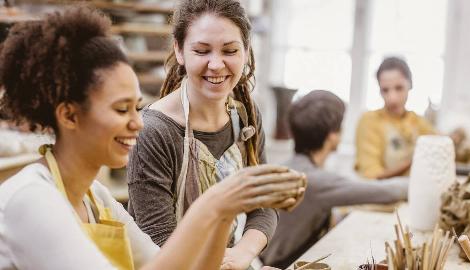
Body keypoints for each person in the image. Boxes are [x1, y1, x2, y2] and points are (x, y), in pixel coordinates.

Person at [0, 6, 303, 270]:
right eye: (121, 109)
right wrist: (214, 205)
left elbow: (166, 265)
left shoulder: (98, 198)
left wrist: (224, 218)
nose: (139, 123)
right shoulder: (31, 199)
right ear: (68, 116)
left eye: (136, 106)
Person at [126, 1, 301, 269]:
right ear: (179, 50)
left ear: (245, 50)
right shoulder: (153, 131)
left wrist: (240, 255)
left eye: (230, 50)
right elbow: (158, 241)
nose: (216, 64)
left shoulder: (246, 116)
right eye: (202, 51)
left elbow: (264, 205)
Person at [260, 90, 408, 269]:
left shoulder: (290, 166)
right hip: (282, 265)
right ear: (332, 135)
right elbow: (387, 192)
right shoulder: (312, 180)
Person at [355, 57, 435, 179]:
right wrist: (415, 160)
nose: (392, 98)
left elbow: (440, 144)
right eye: (385, 90)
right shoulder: (369, 121)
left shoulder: (417, 122)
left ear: (410, 85)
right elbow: (372, 176)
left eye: (399, 88)